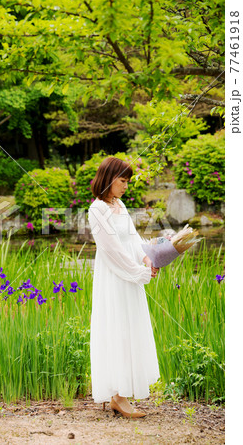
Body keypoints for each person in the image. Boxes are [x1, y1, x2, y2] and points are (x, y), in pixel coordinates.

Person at [87, 156, 160, 419]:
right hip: (114, 277)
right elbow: (111, 250)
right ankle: (117, 396)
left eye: (128, 181)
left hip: (129, 274)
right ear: (108, 179)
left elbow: (132, 239)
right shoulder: (97, 210)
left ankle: (122, 395)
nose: (126, 185)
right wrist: (137, 272)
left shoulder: (120, 204)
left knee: (130, 328)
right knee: (116, 328)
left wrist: (147, 257)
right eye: (122, 180)